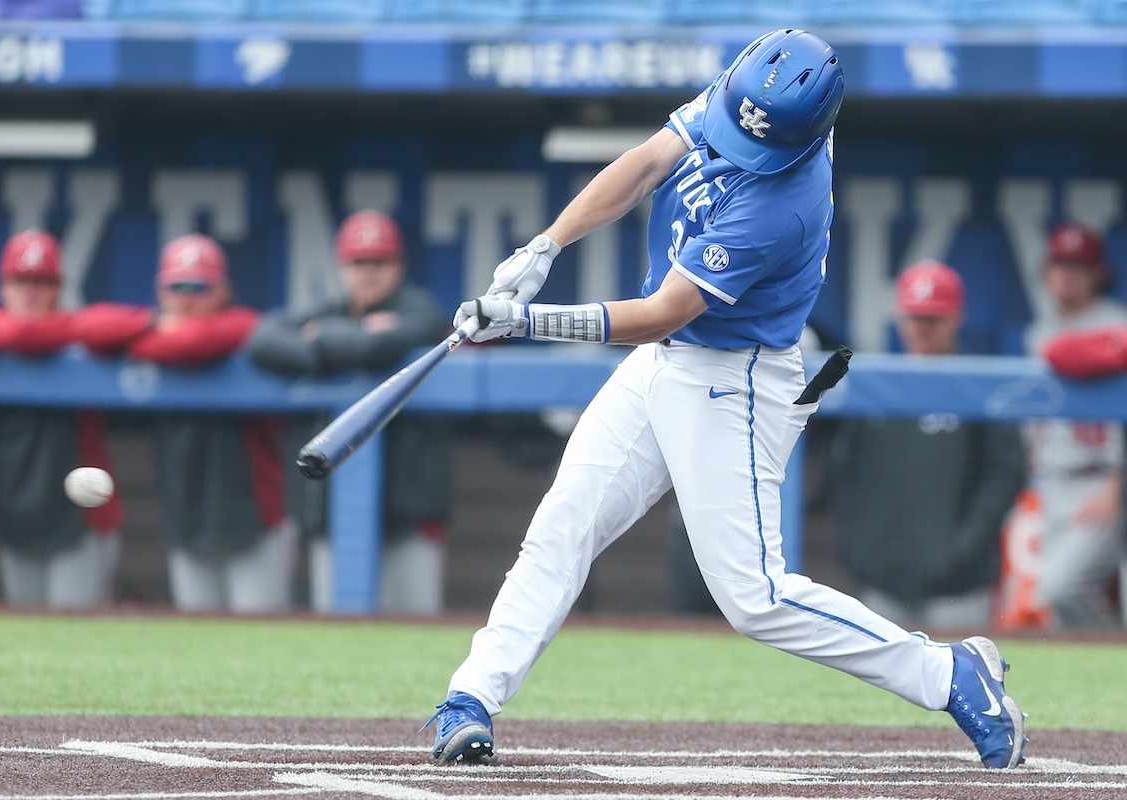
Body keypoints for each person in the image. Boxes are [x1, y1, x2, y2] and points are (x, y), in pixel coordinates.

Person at [422, 29, 1026, 771]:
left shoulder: (788, 203)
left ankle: (949, 674)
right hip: (662, 366)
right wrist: (546, 246)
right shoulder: (749, 96)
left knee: (755, 596)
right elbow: (646, 163)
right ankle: (473, 697)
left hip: (730, 381)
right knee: (563, 524)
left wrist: (527, 321)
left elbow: (668, 310)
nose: (738, 144)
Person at [73, 234, 293, 613]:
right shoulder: (155, 324)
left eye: (199, 287)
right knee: (200, 646)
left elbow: (194, 343)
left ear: (222, 290)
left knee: (261, 645)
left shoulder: (243, 328)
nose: (186, 298)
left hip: (252, 519)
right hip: (186, 518)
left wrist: (142, 341)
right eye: (176, 287)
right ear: (160, 290)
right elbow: (87, 327)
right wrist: (151, 324)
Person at [247, 210, 450, 615]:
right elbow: (262, 339)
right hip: (334, 508)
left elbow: (374, 350)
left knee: (418, 629)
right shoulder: (329, 308)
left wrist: (322, 337)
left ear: (399, 265)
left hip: (408, 507)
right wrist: (330, 346)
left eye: (380, 261)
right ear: (342, 266)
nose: (369, 272)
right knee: (339, 626)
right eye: (359, 262)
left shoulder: (422, 310)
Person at [0, 230, 123, 608]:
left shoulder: (80, 336)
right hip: (16, 520)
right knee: (28, 634)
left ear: (59, 287)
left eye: (41, 281)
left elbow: (126, 326)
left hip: (80, 520)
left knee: (76, 640)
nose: (29, 292)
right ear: (2, 286)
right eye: (20, 281)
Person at [832, 261, 1024, 628]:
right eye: (915, 316)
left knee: (957, 681)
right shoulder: (877, 386)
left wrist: (960, 554)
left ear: (956, 317)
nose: (922, 327)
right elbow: (844, 474)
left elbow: (1003, 478)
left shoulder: (980, 387)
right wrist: (863, 554)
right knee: (876, 683)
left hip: (958, 588)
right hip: (882, 584)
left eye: (934, 317)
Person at [1024, 223, 1127, 627]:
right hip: (1052, 479)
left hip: (1100, 478)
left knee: (1060, 587)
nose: (1067, 274)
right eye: (1060, 264)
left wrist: (1117, 480)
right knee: (1053, 608)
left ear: (1098, 273)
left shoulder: (1116, 324)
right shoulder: (1039, 331)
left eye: (1078, 266)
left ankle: (1115, 657)